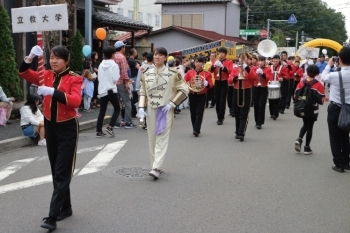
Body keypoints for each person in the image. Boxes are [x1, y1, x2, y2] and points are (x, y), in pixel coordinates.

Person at [18, 45, 83, 231]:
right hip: (50, 126)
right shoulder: (44, 74)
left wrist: (53, 92)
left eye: (58, 58)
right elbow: (23, 72)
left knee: (62, 172)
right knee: (56, 170)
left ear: (67, 60)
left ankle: (52, 217)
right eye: (51, 57)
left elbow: (76, 101)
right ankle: (67, 207)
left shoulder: (74, 78)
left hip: (67, 128)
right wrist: (29, 57)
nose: (53, 61)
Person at [138, 47, 189, 179]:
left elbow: (184, 90)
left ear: (165, 57)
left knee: (161, 138)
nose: (157, 57)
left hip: (165, 110)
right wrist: (141, 107)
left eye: (160, 55)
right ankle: (154, 164)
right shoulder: (146, 73)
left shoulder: (173, 73)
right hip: (150, 109)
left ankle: (157, 167)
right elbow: (143, 91)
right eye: (155, 55)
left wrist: (172, 103)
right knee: (152, 139)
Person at [321, 47, 350, 173]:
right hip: (349, 109)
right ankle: (346, 162)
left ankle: (338, 164)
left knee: (334, 137)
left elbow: (323, 77)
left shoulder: (334, 75)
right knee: (345, 136)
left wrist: (329, 65)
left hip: (336, 108)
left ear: (340, 59)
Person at [294, 65, 326, 154]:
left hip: (302, 107)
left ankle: (299, 139)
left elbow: (295, 95)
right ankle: (307, 147)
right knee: (310, 126)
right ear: (316, 74)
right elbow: (321, 99)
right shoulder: (318, 84)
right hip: (312, 108)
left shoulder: (301, 83)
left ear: (307, 72)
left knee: (305, 124)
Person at [228, 53, 257, 141]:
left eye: (245, 58)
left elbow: (254, 77)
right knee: (237, 113)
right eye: (241, 58)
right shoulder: (235, 68)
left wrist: (247, 69)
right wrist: (236, 77)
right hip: (237, 90)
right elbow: (229, 80)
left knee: (244, 113)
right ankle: (237, 131)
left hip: (246, 91)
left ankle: (241, 133)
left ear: (248, 60)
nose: (242, 59)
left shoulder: (250, 69)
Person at [183, 56, 213, 137]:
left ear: (203, 63)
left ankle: (196, 130)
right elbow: (184, 81)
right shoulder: (190, 72)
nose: (198, 64)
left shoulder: (207, 73)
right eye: (196, 62)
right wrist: (187, 84)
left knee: (199, 113)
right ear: (194, 63)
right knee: (193, 113)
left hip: (202, 95)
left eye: (200, 62)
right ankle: (194, 128)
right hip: (192, 94)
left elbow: (211, 85)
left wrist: (206, 83)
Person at [96, 46, 121, 137]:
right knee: (117, 109)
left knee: (102, 111)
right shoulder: (114, 65)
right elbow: (115, 79)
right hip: (111, 90)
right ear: (112, 54)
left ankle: (98, 131)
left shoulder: (101, 65)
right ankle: (110, 127)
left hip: (102, 90)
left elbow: (99, 78)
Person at [114, 41, 137, 128]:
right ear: (122, 47)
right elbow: (124, 72)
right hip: (121, 82)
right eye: (124, 47)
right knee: (127, 102)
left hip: (114, 83)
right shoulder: (122, 57)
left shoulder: (113, 56)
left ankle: (117, 121)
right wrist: (127, 82)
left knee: (116, 103)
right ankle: (128, 122)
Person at [210, 47, 233, 125]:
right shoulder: (215, 61)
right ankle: (218, 116)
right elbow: (210, 70)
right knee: (217, 100)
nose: (221, 54)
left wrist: (223, 67)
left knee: (222, 101)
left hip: (224, 82)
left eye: (222, 53)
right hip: (217, 82)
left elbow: (230, 71)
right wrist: (214, 66)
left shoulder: (229, 62)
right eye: (220, 53)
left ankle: (221, 118)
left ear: (225, 54)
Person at [253, 56, 272, 129]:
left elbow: (268, 78)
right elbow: (253, 77)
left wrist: (263, 74)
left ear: (264, 62)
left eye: (262, 61)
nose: (260, 62)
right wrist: (256, 73)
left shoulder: (268, 69)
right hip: (255, 87)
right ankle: (256, 121)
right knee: (256, 105)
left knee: (261, 105)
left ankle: (260, 122)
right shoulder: (254, 68)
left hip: (263, 88)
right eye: (259, 61)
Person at [269, 54, 289, 120]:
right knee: (270, 100)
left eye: (277, 59)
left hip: (278, 85)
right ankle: (272, 113)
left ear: (279, 60)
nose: (275, 60)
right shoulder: (269, 67)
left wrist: (282, 78)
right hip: (270, 85)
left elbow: (287, 76)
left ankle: (275, 114)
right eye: (274, 59)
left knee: (277, 100)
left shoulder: (282, 67)